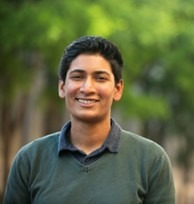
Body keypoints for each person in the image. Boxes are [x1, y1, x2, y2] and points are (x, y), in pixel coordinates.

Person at [4, 36, 175, 204]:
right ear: (62, 87)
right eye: (78, 77)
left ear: (117, 89)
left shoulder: (151, 160)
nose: (87, 88)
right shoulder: (30, 159)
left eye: (100, 78)